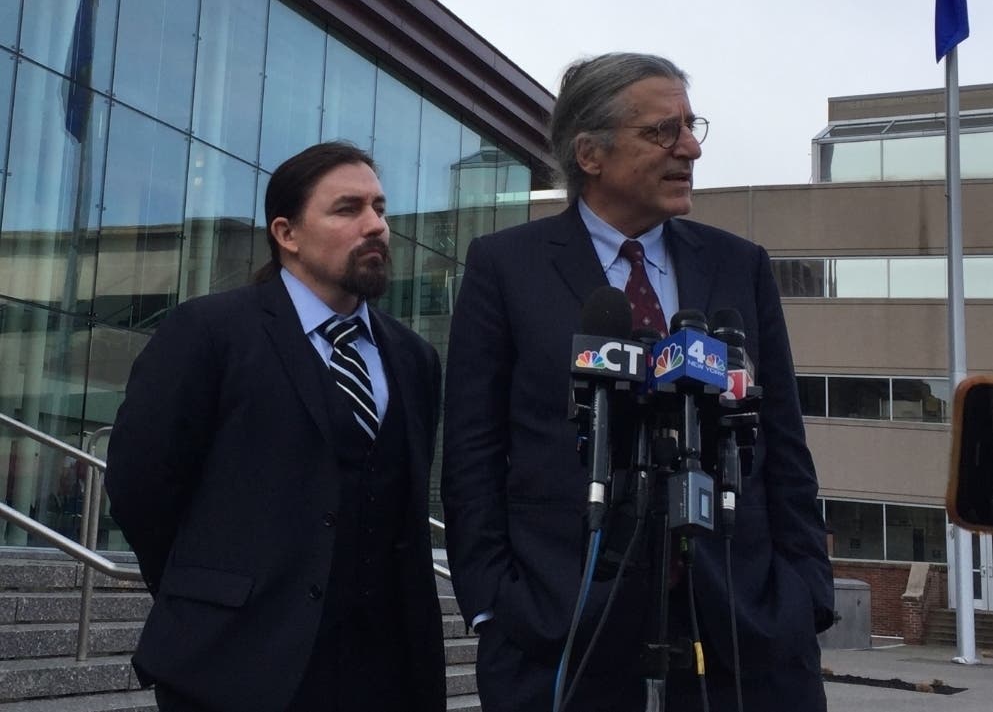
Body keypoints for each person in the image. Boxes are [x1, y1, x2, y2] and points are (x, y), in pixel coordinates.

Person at [442, 53, 834, 712]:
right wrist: (493, 605)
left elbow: (784, 445)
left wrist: (806, 594)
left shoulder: (739, 266)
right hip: (559, 627)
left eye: (690, 124)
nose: (691, 147)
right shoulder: (504, 268)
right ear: (589, 153)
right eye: (662, 131)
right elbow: (471, 456)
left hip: (742, 628)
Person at [105, 142, 446, 712]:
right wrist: (212, 596)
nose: (376, 227)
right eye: (348, 209)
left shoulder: (413, 357)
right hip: (236, 663)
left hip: (383, 671)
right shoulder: (209, 332)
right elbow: (141, 488)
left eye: (380, 209)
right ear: (286, 234)